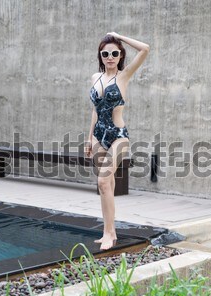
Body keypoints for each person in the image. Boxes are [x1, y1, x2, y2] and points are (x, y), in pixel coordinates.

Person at [85, 32, 150, 250]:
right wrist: (89, 137)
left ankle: (109, 233)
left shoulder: (124, 76)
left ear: (120, 55)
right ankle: (109, 230)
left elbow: (145, 49)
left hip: (118, 135)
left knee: (103, 182)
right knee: (107, 186)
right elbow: (95, 111)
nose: (110, 57)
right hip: (98, 137)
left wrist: (119, 36)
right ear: (100, 56)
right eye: (106, 53)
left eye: (114, 53)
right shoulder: (95, 78)